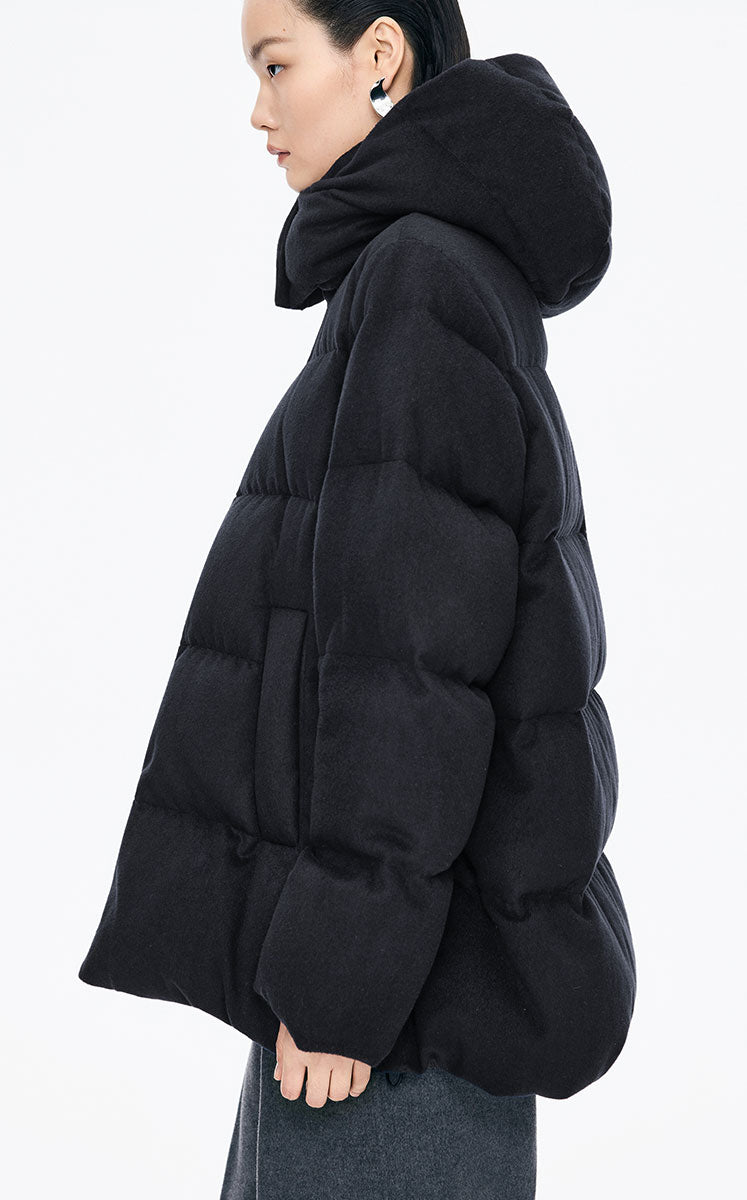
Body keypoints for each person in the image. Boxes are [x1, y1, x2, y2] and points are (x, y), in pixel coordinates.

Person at [78, 0, 636, 1195]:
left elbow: (411, 671)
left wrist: (337, 983)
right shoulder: (428, 270)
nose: (259, 110)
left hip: (387, 1018)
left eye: (277, 65)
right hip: (391, 977)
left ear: (379, 57)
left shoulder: (421, 280)